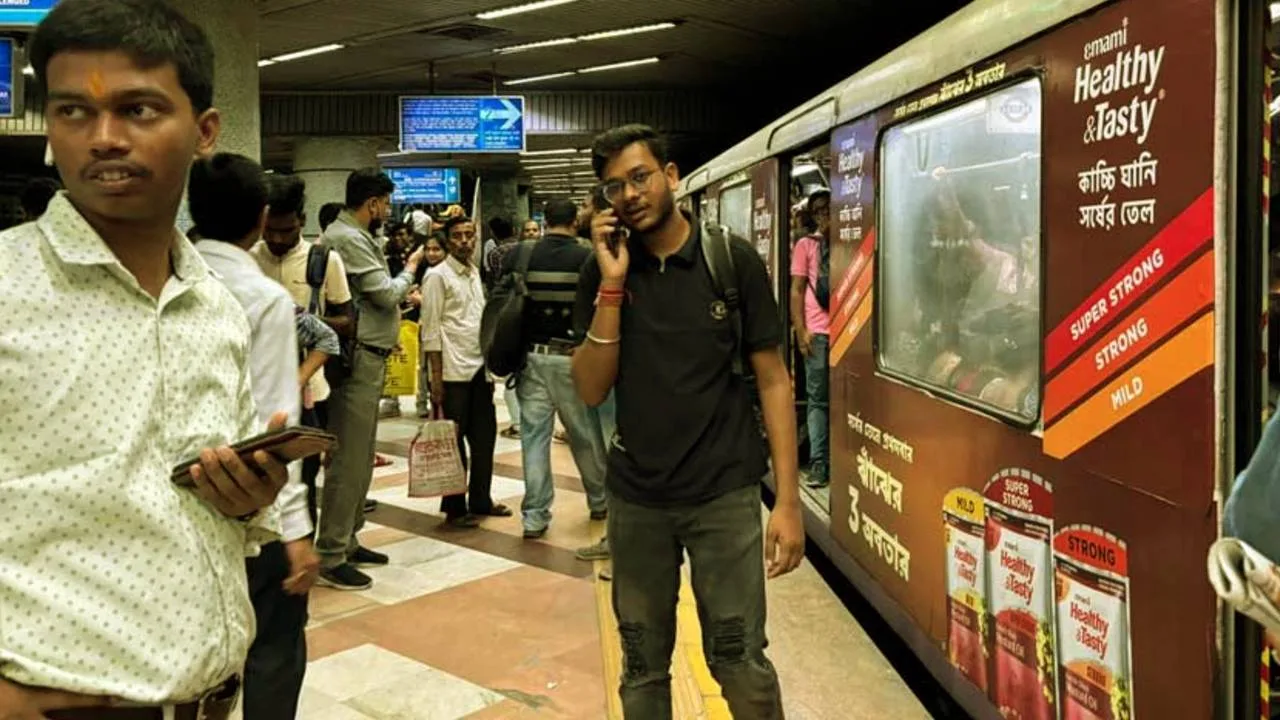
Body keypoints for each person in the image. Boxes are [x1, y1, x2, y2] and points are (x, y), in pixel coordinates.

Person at [0, 1, 292, 717]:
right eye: (73, 112)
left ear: (204, 131)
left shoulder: (215, 306)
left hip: (213, 701)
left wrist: (247, 497)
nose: (103, 138)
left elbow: (202, 507)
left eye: (137, 109)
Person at [572, 124, 805, 719]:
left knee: (739, 661)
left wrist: (787, 503)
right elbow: (592, 387)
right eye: (613, 187)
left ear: (672, 176)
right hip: (638, 500)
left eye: (640, 177)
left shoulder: (730, 261)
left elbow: (775, 380)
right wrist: (614, 284)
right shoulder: (600, 274)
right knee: (643, 669)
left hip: (723, 494)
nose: (629, 194)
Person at [188, 152, 318, 720]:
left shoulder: (169, 277)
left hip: (182, 496)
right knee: (275, 644)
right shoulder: (263, 297)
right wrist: (293, 528)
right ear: (262, 218)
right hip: (250, 497)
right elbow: (274, 420)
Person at [314, 168, 425, 590]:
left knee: (360, 458)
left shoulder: (358, 236)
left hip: (371, 354)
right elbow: (385, 293)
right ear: (374, 203)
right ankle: (330, 552)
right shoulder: (346, 236)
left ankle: (348, 537)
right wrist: (411, 268)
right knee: (348, 458)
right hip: (357, 359)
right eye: (386, 203)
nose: (388, 211)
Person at [499, 198, 609, 539]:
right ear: (575, 221)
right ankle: (599, 499)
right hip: (571, 358)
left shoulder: (522, 254)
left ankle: (534, 516)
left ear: (545, 221)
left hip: (531, 358)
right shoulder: (588, 256)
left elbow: (501, 298)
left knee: (534, 438)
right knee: (583, 436)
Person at [252, 174, 356, 520]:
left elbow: (346, 321)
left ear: (302, 222)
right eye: (270, 230)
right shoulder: (248, 258)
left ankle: (302, 544)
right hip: (257, 388)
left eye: (287, 230)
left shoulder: (324, 259)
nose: (278, 239)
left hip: (312, 389)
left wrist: (303, 323)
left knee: (305, 478)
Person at [422, 215, 513, 528]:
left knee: (484, 437)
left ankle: (481, 499)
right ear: (448, 240)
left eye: (469, 235)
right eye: (458, 236)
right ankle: (454, 507)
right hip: (451, 371)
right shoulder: (437, 276)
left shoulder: (474, 272)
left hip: (478, 368)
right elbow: (430, 330)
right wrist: (435, 378)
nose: (465, 241)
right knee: (453, 441)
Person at [790, 188, 832, 489]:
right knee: (818, 400)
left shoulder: (851, 242)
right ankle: (819, 462)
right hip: (817, 332)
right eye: (819, 211)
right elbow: (797, 289)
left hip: (847, 334)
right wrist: (800, 329)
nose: (825, 215)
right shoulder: (806, 245)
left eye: (829, 209)